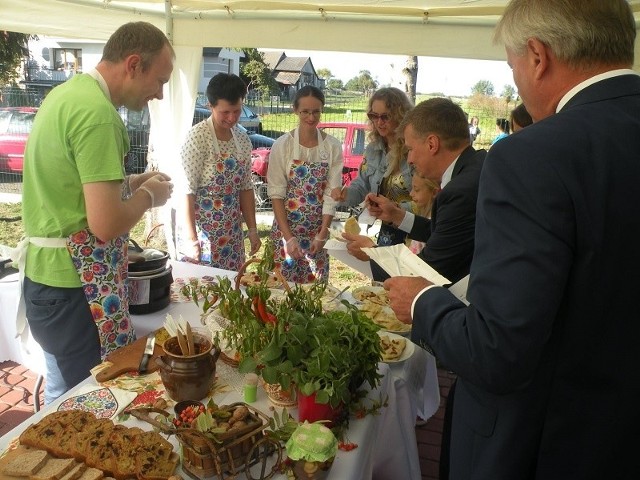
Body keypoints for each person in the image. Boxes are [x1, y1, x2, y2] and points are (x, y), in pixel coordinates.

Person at [384, 0, 640, 478]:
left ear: (538, 57)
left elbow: (497, 351)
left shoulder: (532, 156)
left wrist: (423, 304)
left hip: (541, 443)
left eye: (513, 67)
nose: (518, 83)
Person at [18, 22, 175, 403]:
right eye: (160, 80)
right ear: (133, 64)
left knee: (61, 391)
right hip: (75, 288)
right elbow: (104, 225)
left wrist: (133, 182)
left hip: (47, 281)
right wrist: (150, 197)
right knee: (85, 399)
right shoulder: (99, 115)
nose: (160, 93)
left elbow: (75, 188)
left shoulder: (69, 94)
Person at [344, 98, 486, 285]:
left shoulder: (461, 191)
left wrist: (374, 252)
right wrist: (396, 215)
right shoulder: (476, 165)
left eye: (410, 149)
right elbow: (442, 233)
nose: (409, 159)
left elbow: (428, 271)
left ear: (432, 144)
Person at [176, 73, 261, 270]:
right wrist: (191, 240)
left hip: (232, 234)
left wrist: (253, 230)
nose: (232, 118)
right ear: (210, 106)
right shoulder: (197, 137)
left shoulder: (242, 139)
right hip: (202, 234)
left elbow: (246, 188)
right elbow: (186, 191)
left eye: (237, 111)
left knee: (232, 290)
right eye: (225, 112)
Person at [267, 86, 343, 283]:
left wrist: (323, 232)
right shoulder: (283, 145)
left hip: (316, 233)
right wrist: (288, 238)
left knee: (315, 295)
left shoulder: (332, 146)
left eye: (316, 111)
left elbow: (331, 194)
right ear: (295, 110)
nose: (311, 117)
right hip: (286, 230)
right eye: (305, 112)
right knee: (282, 292)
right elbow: (277, 194)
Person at [330, 87, 413, 246]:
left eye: (385, 116)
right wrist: (344, 194)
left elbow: (427, 199)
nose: (379, 122)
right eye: (374, 116)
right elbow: (361, 187)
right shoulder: (373, 149)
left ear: (401, 116)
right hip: (386, 232)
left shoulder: (412, 150)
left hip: (413, 235)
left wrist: (394, 209)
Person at [406, 172, 439, 254]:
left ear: (434, 192)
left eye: (416, 190)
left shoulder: (434, 221)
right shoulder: (422, 214)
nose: (411, 194)